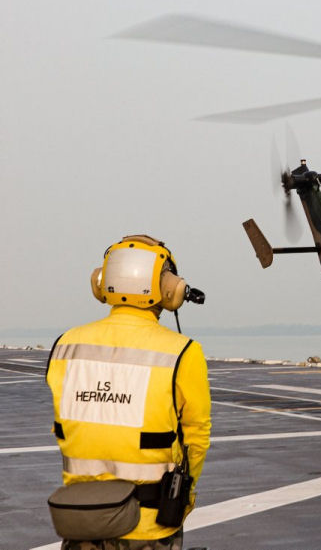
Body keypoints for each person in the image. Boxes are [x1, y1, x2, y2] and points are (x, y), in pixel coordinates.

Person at [46, 235, 211, 550]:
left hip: (80, 519)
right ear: (169, 288)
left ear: (101, 282)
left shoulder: (65, 346)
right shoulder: (183, 352)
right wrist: (182, 499)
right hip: (149, 524)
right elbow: (196, 438)